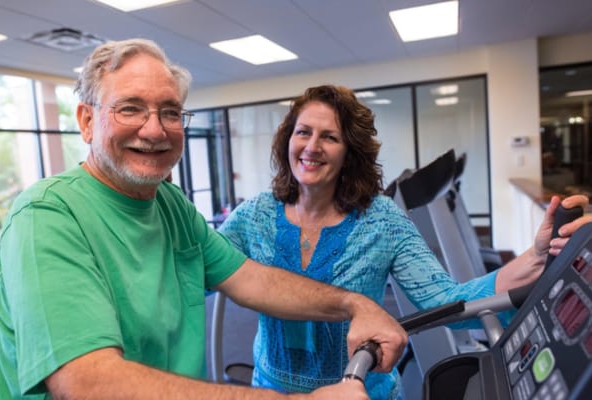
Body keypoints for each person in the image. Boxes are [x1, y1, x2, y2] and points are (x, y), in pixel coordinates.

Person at [0, 40, 408, 400]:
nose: (154, 130)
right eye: (130, 109)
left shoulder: (171, 206)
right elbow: (87, 385)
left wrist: (356, 305)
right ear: (86, 121)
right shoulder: (46, 218)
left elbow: (253, 279)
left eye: (170, 112)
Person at [218, 84, 592, 399]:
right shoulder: (254, 216)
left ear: (349, 152)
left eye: (329, 137)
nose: (312, 146)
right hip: (270, 391)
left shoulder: (381, 219)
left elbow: (447, 302)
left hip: (360, 390)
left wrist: (536, 256)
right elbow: (198, 264)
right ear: (288, 139)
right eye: (303, 132)